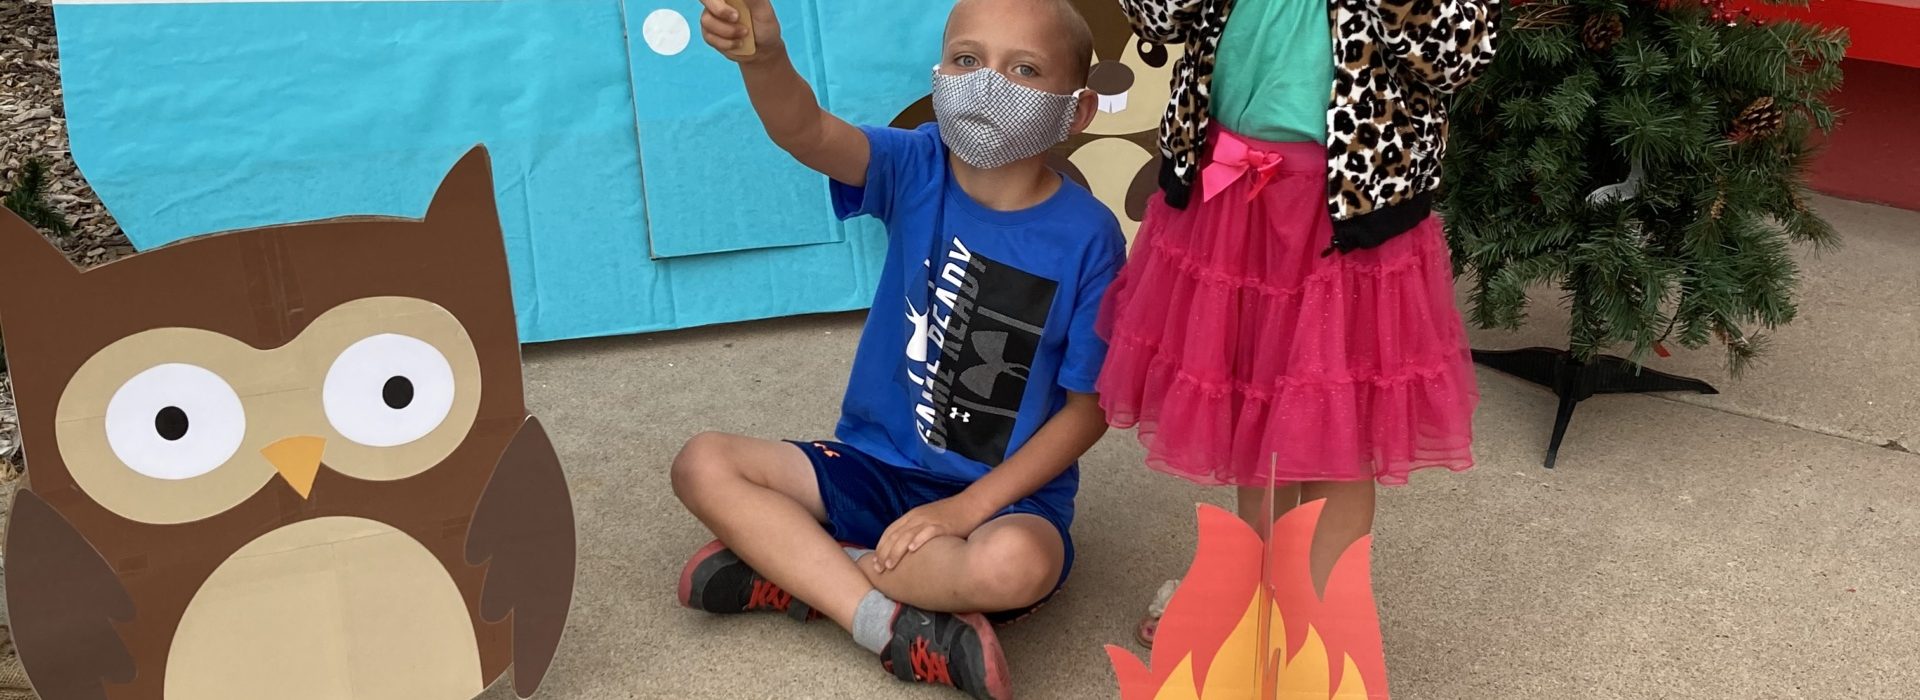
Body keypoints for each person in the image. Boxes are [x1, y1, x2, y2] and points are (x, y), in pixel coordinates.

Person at [671, 1, 1122, 698]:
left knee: (1014, 568)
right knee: (703, 463)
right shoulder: (916, 164)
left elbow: (1089, 409)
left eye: (1025, 70)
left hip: (1001, 504)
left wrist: (964, 512)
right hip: (873, 467)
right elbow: (805, 130)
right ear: (939, 71)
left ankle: (800, 570)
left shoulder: (1091, 237)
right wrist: (764, 60)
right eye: (967, 60)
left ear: (1078, 110)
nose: (987, 84)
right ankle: (878, 620)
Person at [1098, 0, 1498, 646]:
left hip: (1352, 214)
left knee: (1341, 434)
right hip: (1230, 192)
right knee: (1252, 406)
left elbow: (1457, 52)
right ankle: (1248, 587)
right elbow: (1158, 18)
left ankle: (1324, 630)